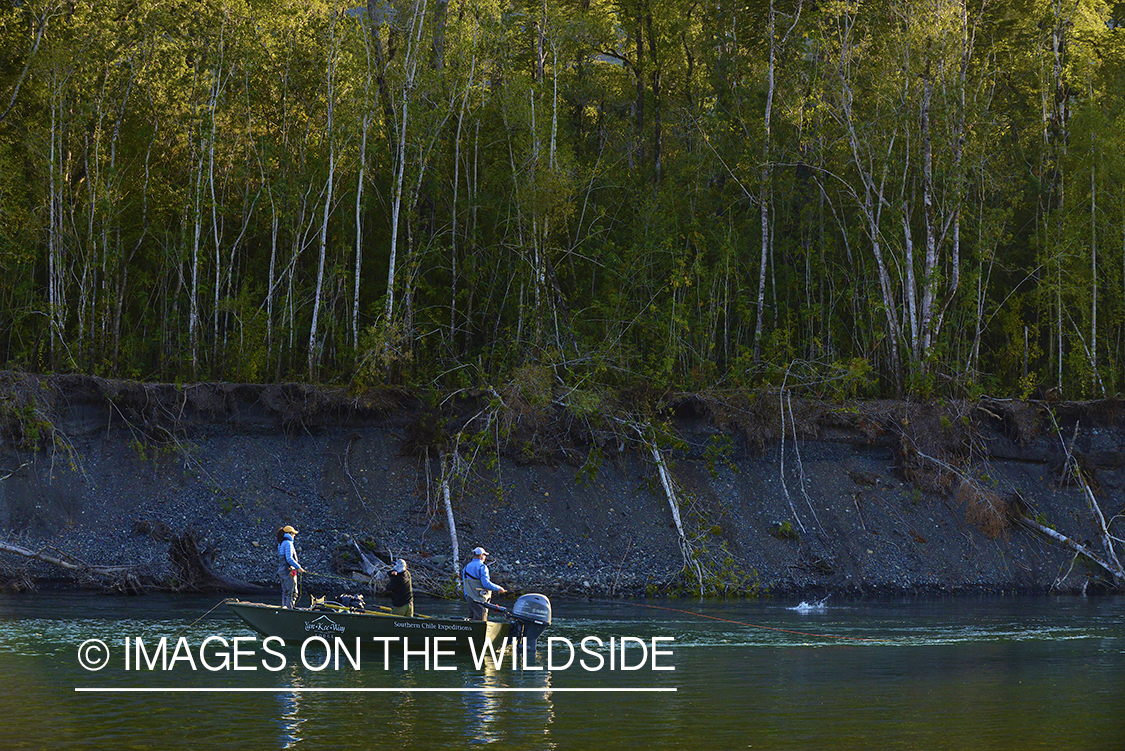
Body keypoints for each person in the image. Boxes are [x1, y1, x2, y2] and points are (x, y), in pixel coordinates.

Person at [462, 546, 506, 621]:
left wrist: (467, 597)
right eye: (485, 555)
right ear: (481, 555)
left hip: (470, 598)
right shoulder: (482, 567)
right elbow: (486, 584)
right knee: (481, 621)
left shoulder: (466, 567)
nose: (485, 557)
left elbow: (465, 585)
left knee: (470, 621)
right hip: (480, 599)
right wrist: (498, 588)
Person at [276, 525, 305, 609]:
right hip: (288, 570)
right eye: (294, 533)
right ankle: (289, 610)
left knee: (285, 591)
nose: (295, 535)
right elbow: (289, 558)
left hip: (281, 570)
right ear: (289, 533)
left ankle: (284, 607)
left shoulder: (281, 543)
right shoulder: (288, 543)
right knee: (293, 592)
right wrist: (298, 567)